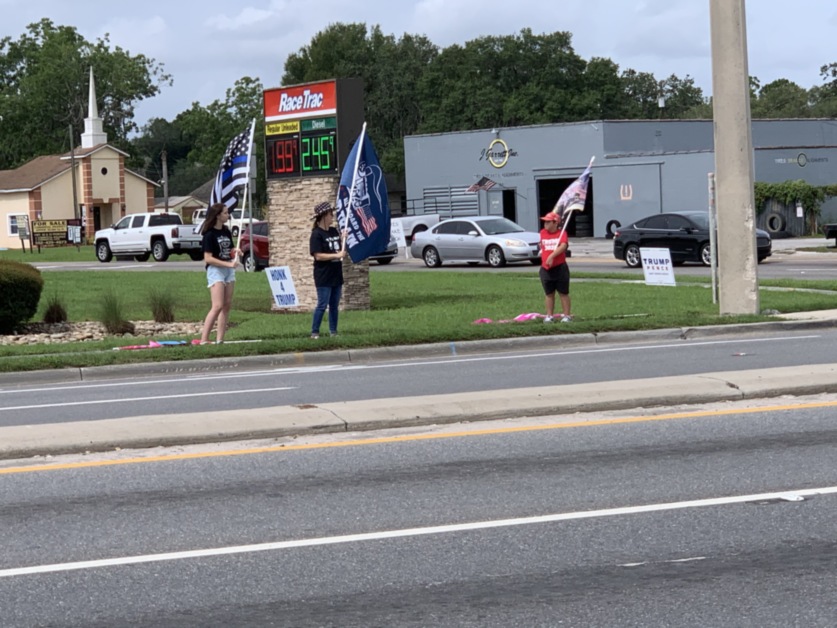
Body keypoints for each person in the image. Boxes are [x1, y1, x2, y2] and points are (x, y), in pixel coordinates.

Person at [198, 203, 240, 344]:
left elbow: (229, 250)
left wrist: (235, 252)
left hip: (228, 270)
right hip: (216, 270)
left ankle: (220, 339)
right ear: (217, 215)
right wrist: (228, 264)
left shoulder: (226, 231)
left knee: (227, 304)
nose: (228, 215)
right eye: (225, 213)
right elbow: (208, 258)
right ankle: (204, 340)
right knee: (217, 305)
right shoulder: (209, 235)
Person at [309, 201, 347, 339]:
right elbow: (318, 256)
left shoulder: (333, 231)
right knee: (322, 304)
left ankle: (333, 331)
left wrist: (343, 240)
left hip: (336, 274)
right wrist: (336, 255)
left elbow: (339, 250)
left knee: (334, 305)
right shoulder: (316, 234)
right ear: (324, 216)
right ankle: (315, 332)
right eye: (331, 214)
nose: (333, 217)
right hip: (323, 275)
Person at [539, 211, 572, 323]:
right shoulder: (543, 232)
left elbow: (563, 246)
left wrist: (552, 256)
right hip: (546, 269)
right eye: (545, 221)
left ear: (555, 223)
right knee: (549, 293)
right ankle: (549, 315)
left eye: (548, 222)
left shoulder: (562, 233)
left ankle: (567, 316)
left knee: (563, 293)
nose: (545, 224)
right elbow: (542, 245)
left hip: (560, 268)